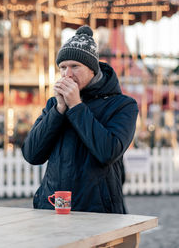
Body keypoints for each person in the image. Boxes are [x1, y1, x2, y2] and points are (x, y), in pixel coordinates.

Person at [22, 25, 138, 213]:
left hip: (98, 210)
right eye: (63, 67)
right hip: (52, 206)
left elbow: (108, 151)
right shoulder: (54, 104)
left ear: (92, 68)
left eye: (75, 66)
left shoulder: (123, 105)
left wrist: (76, 106)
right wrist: (58, 111)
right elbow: (32, 154)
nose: (67, 74)